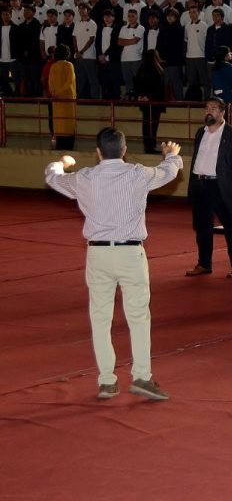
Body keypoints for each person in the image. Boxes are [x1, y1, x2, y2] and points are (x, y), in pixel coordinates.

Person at [44, 127, 183, 401]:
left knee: (100, 318)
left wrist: (62, 162)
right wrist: (171, 156)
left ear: (98, 152)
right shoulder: (137, 174)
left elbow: (52, 177)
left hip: (98, 255)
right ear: (124, 150)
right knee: (139, 317)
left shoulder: (85, 178)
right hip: (131, 253)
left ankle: (107, 381)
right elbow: (169, 172)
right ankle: (142, 376)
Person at [185, 98, 232, 278]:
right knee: (202, 227)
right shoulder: (201, 133)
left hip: (220, 186)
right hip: (200, 184)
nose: (209, 111)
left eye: (213, 108)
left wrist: (228, 178)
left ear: (222, 113)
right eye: (206, 108)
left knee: (231, 226)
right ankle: (204, 263)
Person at [132, 49, 167, 154]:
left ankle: (148, 146)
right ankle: (150, 146)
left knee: (146, 123)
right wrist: (149, 97)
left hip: (144, 102)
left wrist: (140, 96)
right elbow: (159, 88)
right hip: (155, 102)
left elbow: (137, 85)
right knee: (153, 124)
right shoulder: (158, 70)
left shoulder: (141, 69)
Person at [47, 44, 77, 151]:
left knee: (58, 123)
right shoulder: (69, 65)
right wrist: (59, 93)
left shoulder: (53, 66)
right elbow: (69, 82)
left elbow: (50, 83)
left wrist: (54, 93)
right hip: (67, 100)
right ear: (67, 54)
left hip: (56, 100)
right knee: (68, 125)